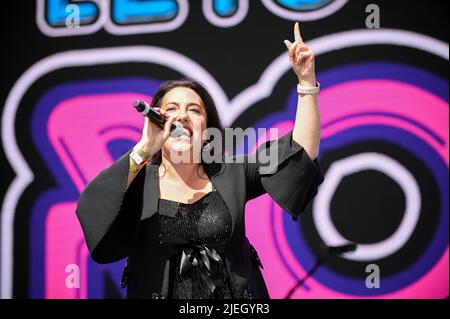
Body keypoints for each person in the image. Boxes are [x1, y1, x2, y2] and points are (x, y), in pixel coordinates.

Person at [76, 22, 324, 299]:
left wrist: (306, 82)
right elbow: (94, 209)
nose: (182, 116)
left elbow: (299, 153)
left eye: (193, 110)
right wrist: (145, 148)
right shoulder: (138, 181)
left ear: (207, 130)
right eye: (171, 110)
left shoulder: (232, 172)